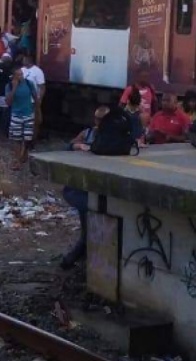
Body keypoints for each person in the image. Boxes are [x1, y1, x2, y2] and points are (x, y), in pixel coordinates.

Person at [60, 106, 112, 270]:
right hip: (81, 188)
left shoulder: (111, 137)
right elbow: (69, 146)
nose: (99, 123)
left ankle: (75, 258)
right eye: (97, 119)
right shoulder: (88, 133)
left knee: (91, 228)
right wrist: (77, 146)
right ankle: (73, 259)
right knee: (88, 227)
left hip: (97, 187)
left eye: (102, 120)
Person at [5, 67, 39, 166]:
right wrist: (14, 88)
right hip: (16, 115)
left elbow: (35, 97)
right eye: (19, 75)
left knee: (28, 138)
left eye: (22, 74)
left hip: (28, 114)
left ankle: (24, 154)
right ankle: (18, 160)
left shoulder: (29, 83)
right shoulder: (9, 86)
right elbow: (8, 102)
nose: (21, 76)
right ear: (14, 76)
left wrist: (38, 111)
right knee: (17, 139)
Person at [21, 54, 46, 141]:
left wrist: (39, 100)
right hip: (22, 100)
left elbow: (42, 87)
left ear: (29, 60)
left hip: (32, 100)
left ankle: (33, 140)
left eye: (24, 59)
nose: (23, 61)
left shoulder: (37, 71)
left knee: (34, 121)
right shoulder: (22, 70)